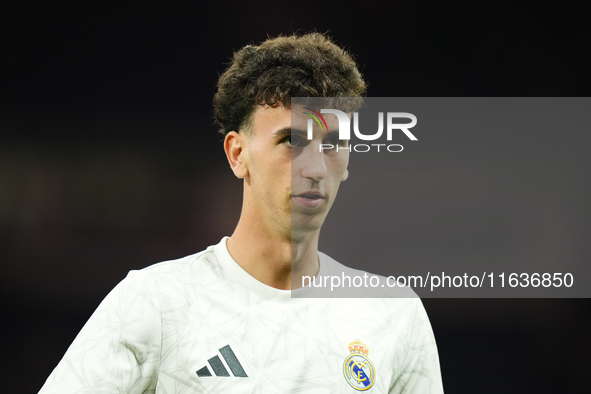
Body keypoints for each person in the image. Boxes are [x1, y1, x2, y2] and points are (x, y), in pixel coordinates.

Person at [39, 33, 444, 393]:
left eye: (333, 143)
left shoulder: (392, 313)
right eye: (291, 140)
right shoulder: (156, 304)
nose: (317, 168)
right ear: (238, 154)